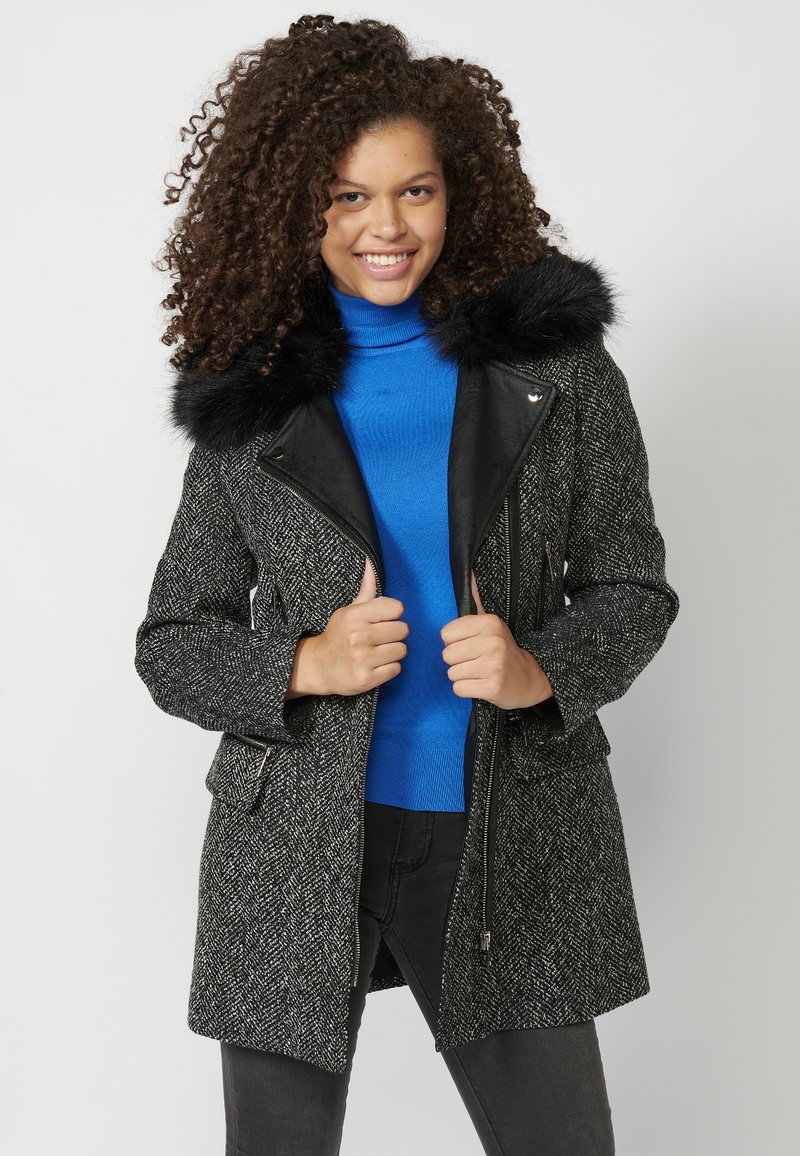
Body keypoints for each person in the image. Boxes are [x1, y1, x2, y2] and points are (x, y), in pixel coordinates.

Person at [134, 13, 680, 1155]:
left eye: (414, 191)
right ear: (295, 206)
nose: (385, 227)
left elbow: (632, 584)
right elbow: (173, 638)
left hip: (507, 826)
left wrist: (539, 670)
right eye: (347, 197)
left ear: (457, 193)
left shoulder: (556, 370)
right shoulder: (251, 399)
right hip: (294, 845)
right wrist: (303, 663)